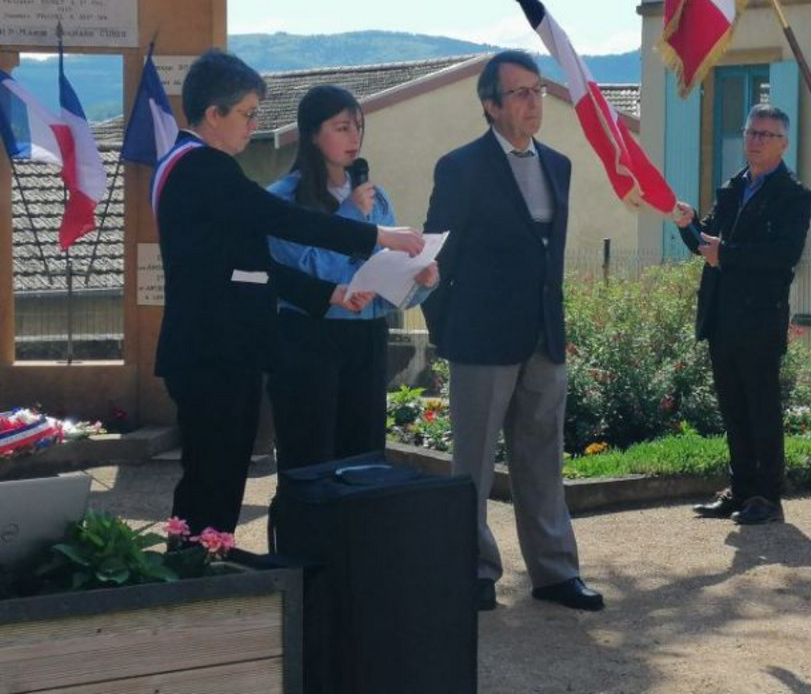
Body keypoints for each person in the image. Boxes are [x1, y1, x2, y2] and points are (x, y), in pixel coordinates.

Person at [154, 49, 424, 536]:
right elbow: (283, 219)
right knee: (211, 481)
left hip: (218, 350)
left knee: (219, 478)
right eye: (247, 114)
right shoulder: (201, 168)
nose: (253, 125)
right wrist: (375, 236)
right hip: (212, 351)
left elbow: (248, 268)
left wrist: (329, 293)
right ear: (213, 114)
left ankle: (205, 561)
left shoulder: (194, 166)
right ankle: (197, 567)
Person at [422, 50, 603, 612]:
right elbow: (437, 260)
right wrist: (448, 331)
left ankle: (555, 573)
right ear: (491, 105)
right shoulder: (461, 167)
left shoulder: (559, 165)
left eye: (537, 90)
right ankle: (472, 572)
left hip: (544, 338)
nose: (533, 102)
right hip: (480, 339)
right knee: (472, 466)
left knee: (543, 460)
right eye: (520, 92)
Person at [266, 85, 438, 470]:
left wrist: (419, 280)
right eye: (342, 127)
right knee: (311, 454)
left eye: (358, 127)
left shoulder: (376, 197)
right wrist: (349, 214)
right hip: (309, 337)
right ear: (313, 134)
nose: (354, 137)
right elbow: (308, 269)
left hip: (367, 336)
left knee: (364, 456)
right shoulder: (282, 200)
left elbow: (385, 274)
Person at [676, 104, 811, 526]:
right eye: (751, 132)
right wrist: (687, 224)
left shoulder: (794, 195)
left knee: (761, 407)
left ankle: (767, 496)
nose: (754, 141)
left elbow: (783, 254)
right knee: (733, 408)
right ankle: (739, 490)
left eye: (765, 135)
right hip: (722, 314)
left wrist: (727, 254)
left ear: (783, 144)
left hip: (760, 317)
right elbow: (707, 245)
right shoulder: (732, 188)